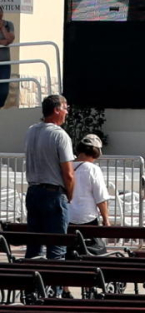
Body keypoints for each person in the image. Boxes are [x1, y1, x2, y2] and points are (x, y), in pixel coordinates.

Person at [23, 93, 74, 255]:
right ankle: (55, 280)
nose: (67, 112)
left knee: (33, 247)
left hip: (33, 191)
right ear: (57, 110)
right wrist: (69, 195)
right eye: (66, 108)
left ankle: (31, 279)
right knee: (57, 247)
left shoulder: (31, 131)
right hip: (53, 194)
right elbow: (68, 173)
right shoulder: (60, 135)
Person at [67, 135, 111, 229]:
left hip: (67, 216)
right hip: (87, 216)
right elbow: (100, 197)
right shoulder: (93, 169)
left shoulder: (66, 167)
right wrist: (105, 218)